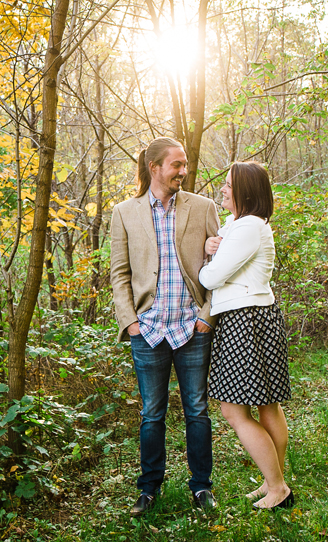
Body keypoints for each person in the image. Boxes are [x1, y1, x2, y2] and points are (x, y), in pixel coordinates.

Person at [110, 137, 220, 517]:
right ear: (154, 167)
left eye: (185, 164)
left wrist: (207, 314)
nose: (183, 171)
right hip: (149, 332)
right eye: (176, 165)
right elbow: (119, 275)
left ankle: (202, 487)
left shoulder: (204, 208)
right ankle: (148, 488)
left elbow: (220, 271)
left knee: (197, 410)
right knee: (152, 414)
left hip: (192, 329)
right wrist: (131, 322)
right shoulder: (124, 213)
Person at [198, 161, 294, 510]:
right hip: (255, 317)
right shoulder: (243, 225)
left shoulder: (248, 227)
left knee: (234, 410)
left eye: (228, 185)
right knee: (267, 404)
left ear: (244, 191)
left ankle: (277, 486)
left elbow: (210, 279)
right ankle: (275, 481)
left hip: (244, 320)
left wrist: (208, 263)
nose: (223, 189)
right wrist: (214, 247)